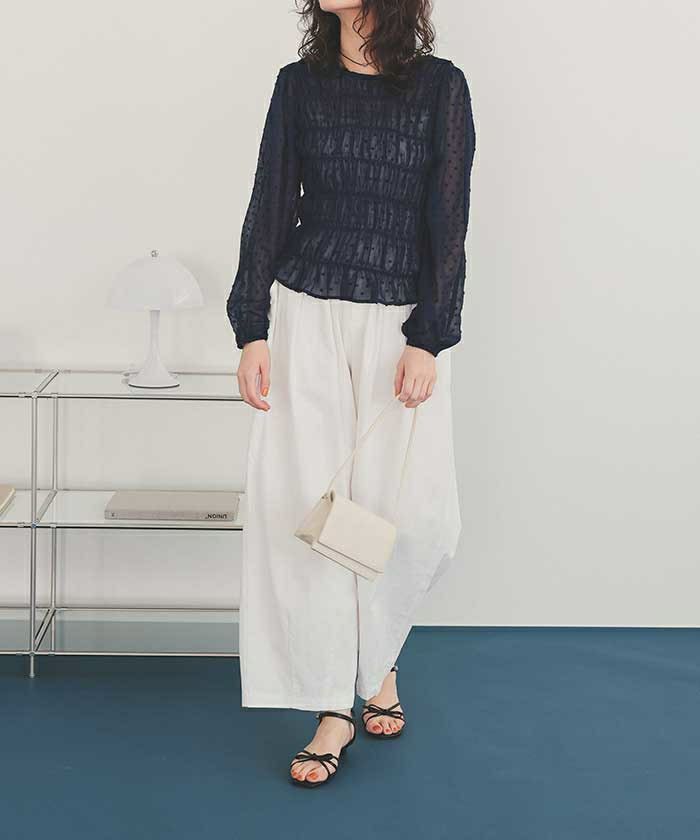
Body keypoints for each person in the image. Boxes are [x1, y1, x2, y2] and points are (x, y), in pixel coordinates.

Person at [226, 0, 476, 788]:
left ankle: (381, 659)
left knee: (414, 517)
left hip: (399, 325)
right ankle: (334, 703)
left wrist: (429, 335)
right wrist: (253, 327)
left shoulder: (441, 87)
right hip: (307, 314)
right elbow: (270, 203)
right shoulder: (298, 85)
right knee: (312, 510)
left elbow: (448, 219)